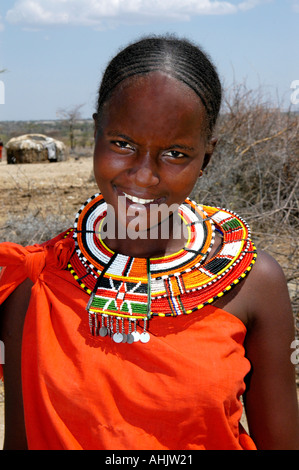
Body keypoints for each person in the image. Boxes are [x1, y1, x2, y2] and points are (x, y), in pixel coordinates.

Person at [0, 35, 298, 451]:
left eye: (175, 153)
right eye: (122, 145)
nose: (143, 175)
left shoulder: (254, 285)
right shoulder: (32, 283)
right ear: (96, 134)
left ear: (206, 160)